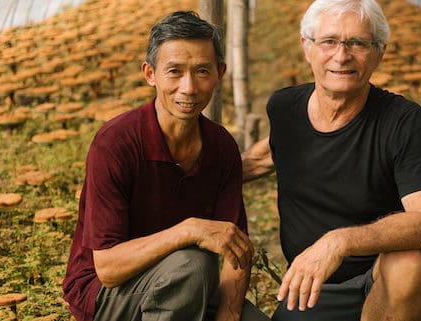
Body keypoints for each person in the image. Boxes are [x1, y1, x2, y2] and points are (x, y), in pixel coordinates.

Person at [242, 1, 421, 320]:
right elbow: (264, 155)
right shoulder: (285, 108)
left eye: (358, 43)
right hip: (317, 284)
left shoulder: (402, 120)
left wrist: (339, 241)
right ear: (306, 47)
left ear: (380, 52)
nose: (341, 56)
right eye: (329, 41)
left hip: (381, 277)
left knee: (406, 263)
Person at [63, 11, 269, 321]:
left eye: (202, 71)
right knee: (192, 265)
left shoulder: (221, 146)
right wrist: (188, 231)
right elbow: (107, 269)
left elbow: (235, 252)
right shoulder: (116, 144)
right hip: (107, 293)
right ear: (150, 74)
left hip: (186, 286)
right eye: (174, 71)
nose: (188, 87)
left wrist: (228, 314)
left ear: (220, 73)